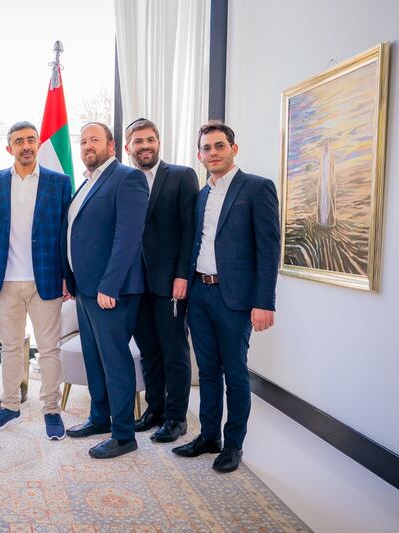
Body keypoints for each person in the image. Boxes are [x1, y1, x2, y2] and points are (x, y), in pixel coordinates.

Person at [172, 121, 279, 473]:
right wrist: (185, 282)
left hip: (235, 298)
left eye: (219, 146)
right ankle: (208, 437)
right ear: (199, 155)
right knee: (207, 371)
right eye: (206, 148)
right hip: (199, 293)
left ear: (234, 148)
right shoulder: (201, 195)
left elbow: (268, 249)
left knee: (235, 373)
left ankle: (233, 445)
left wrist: (264, 302)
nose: (213, 153)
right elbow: (196, 243)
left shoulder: (257, 188)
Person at [61, 122, 149, 459]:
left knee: (115, 360)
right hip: (84, 290)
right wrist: (69, 279)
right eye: (83, 141)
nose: (87, 146)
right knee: (94, 359)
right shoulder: (87, 182)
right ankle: (99, 418)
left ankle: (124, 434)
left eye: (94, 139)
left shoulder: (127, 179)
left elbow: (128, 237)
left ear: (112, 146)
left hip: (110, 291)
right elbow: (77, 234)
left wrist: (109, 285)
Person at [0, 121, 72, 439]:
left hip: (46, 279)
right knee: (9, 348)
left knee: (49, 349)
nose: (26, 145)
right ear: (9, 148)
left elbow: (65, 234)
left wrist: (67, 276)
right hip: (6, 280)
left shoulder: (59, 182)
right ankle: (9, 407)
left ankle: (51, 411)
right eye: (19, 141)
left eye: (31, 140)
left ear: (38, 144)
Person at [124, 118, 199, 443]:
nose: (145, 146)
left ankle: (176, 418)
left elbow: (190, 231)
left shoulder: (181, 176)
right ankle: (154, 410)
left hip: (170, 283)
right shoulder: (124, 180)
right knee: (149, 351)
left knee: (174, 352)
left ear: (159, 142)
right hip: (134, 285)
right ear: (128, 148)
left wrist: (183, 274)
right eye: (138, 141)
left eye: (150, 140)